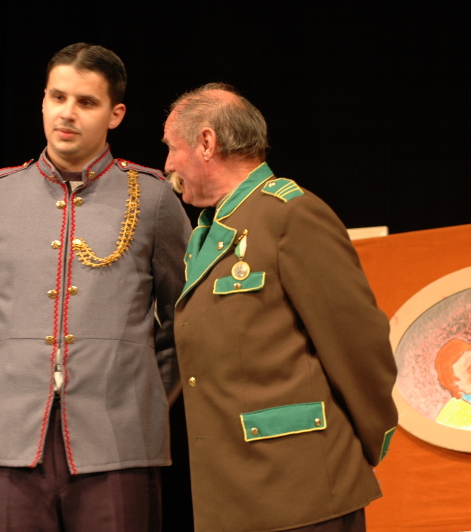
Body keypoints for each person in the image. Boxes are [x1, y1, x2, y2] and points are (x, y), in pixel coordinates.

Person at [0, 43, 191, 531]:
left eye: (86, 102)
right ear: (42, 100)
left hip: (120, 438)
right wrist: (18, 373)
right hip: (11, 438)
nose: (67, 113)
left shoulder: (153, 198)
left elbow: (187, 321)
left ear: (115, 114)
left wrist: (141, 391)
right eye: (57, 97)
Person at [162, 82, 398, 532]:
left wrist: (369, 440)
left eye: (172, 148)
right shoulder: (209, 232)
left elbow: (359, 345)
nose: (168, 164)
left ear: (207, 142)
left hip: (302, 488)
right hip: (237, 491)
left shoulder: (290, 213)